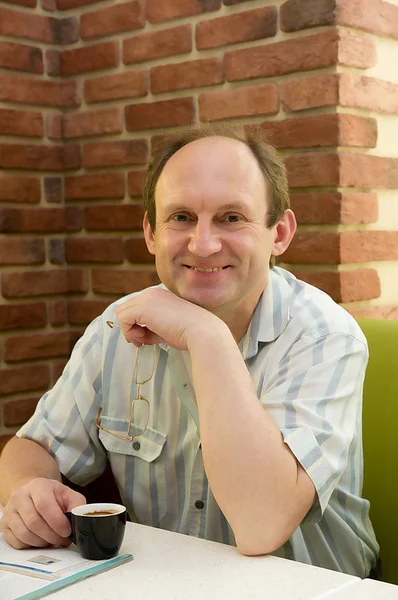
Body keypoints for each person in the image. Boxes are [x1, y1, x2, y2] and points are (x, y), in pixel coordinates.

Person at [0, 123, 379, 577]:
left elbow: (262, 524)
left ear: (279, 233)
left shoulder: (325, 338)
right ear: (151, 234)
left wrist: (206, 335)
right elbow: (33, 445)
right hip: (163, 582)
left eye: (231, 217)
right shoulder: (115, 327)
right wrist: (28, 488)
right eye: (181, 217)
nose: (203, 244)